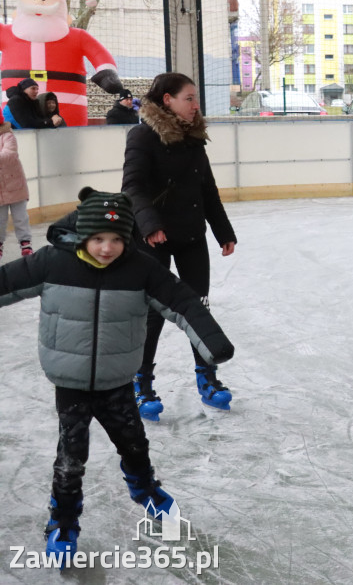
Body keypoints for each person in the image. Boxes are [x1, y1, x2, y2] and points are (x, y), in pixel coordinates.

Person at [0, 187, 234, 568]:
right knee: (71, 457)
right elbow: (7, 282)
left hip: (117, 382)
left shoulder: (141, 269)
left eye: (115, 240)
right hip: (70, 384)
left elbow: (183, 302)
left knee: (134, 444)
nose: (106, 248)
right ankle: (63, 520)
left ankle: (145, 490)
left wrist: (213, 344)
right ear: (82, 235)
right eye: (97, 239)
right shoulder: (52, 263)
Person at [122, 72, 237, 421]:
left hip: (190, 237)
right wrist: (150, 225)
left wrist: (223, 231)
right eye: (189, 97)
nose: (195, 104)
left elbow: (207, 191)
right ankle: (141, 382)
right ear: (167, 100)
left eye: (195, 98)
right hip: (152, 239)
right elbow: (133, 186)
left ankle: (207, 377)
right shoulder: (142, 136)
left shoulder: (193, 138)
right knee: (154, 313)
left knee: (197, 310)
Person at [0, 122, 33, 257]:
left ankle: (25, 243)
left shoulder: (8, 136)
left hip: (15, 185)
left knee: (20, 217)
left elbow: (9, 154)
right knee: (0, 220)